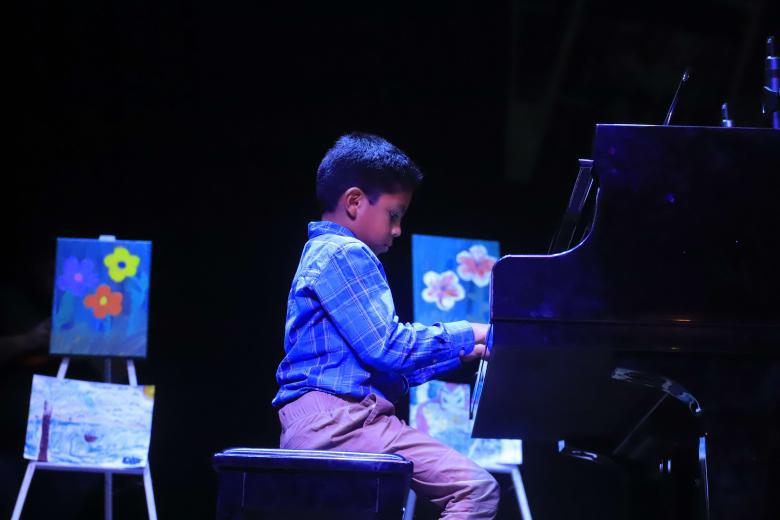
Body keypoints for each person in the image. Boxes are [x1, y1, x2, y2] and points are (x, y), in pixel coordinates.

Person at [272, 132, 500, 518]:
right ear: (355, 202)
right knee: (475, 489)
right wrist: (472, 331)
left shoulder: (323, 254)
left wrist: (460, 354)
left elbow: (383, 365)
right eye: (394, 215)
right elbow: (389, 347)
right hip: (341, 422)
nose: (397, 230)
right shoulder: (345, 252)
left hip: (326, 421)